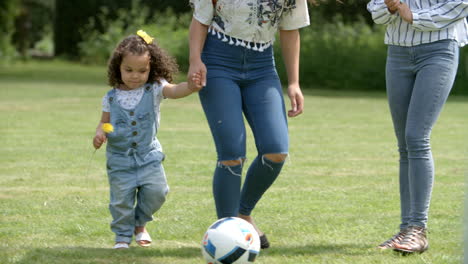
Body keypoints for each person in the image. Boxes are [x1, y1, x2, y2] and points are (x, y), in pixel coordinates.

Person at [188, 0, 310, 249]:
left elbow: (290, 30)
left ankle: (243, 213)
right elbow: (200, 21)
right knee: (232, 152)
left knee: (276, 150)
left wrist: (294, 82)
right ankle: (226, 234)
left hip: (263, 68)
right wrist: (195, 60)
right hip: (218, 63)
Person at [367, 0, 468, 254]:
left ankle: (418, 230)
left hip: (439, 49)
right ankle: (406, 229)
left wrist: (413, 15)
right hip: (398, 52)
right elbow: (375, 10)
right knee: (404, 145)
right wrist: (390, 7)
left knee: (416, 137)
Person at [92, 30, 202, 249]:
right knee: (121, 201)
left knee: (158, 192)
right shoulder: (111, 97)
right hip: (120, 159)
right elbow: (105, 122)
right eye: (129, 70)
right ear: (118, 68)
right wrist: (102, 132)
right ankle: (122, 236)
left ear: (152, 68)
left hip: (148, 156)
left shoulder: (155, 89)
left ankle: (140, 223)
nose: (135, 76)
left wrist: (190, 87)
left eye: (142, 70)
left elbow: (175, 90)